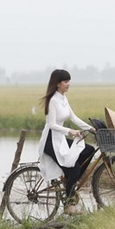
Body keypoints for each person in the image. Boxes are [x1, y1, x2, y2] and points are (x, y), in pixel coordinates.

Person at [37, 69, 96, 214]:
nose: (68, 84)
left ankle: (71, 182)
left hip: (60, 139)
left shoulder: (63, 99)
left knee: (89, 150)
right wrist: (71, 131)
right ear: (58, 84)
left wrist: (91, 128)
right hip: (50, 140)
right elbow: (52, 125)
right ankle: (69, 205)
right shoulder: (53, 101)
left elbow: (73, 118)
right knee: (73, 168)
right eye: (65, 81)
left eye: (69, 81)